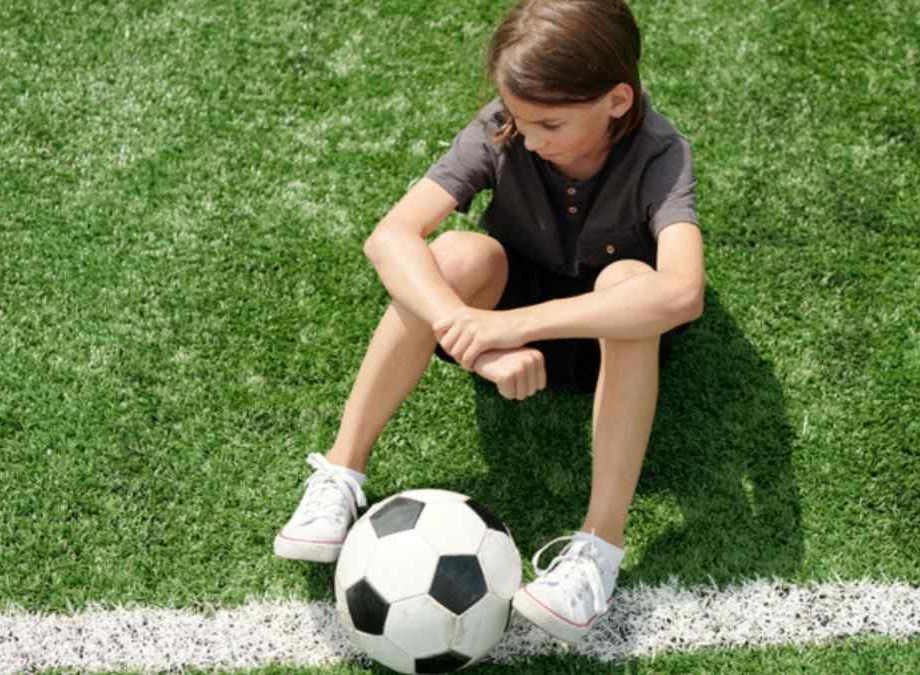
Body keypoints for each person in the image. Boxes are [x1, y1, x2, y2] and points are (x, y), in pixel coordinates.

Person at [274, 0, 704, 644]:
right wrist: (470, 333)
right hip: (502, 318)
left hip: (610, 340)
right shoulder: (504, 125)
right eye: (520, 119)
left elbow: (683, 293)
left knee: (629, 284)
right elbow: (391, 237)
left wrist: (510, 328)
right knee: (455, 254)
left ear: (617, 100)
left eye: (550, 124)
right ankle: (341, 472)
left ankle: (598, 550)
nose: (528, 139)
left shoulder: (660, 153)